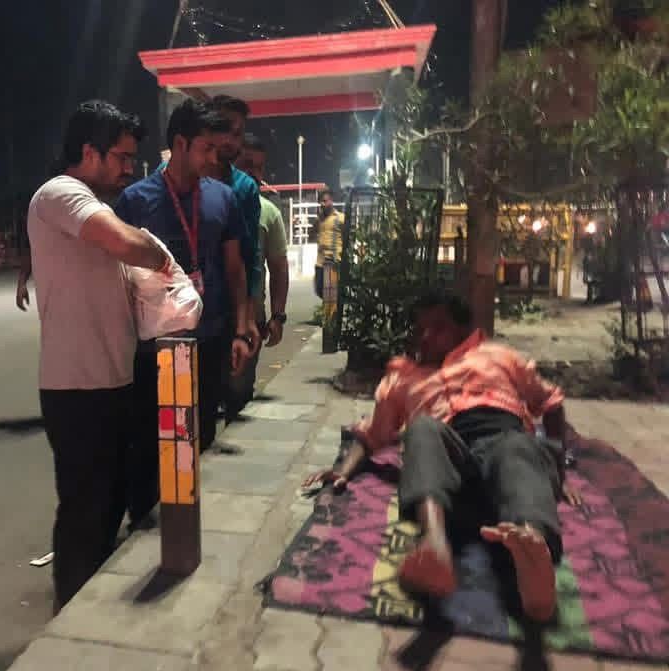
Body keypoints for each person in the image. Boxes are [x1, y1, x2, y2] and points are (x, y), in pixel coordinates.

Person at [303, 293, 581, 623]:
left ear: (462, 330)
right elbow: (372, 434)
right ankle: (434, 546)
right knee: (421, 428)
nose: (425, 336)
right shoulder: (401, 378)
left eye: (438, 327)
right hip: (451, 467)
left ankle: (532, 553)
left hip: (504, 444)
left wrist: (557, 470)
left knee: (517, 448)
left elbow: (551, 403)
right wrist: (343, 471)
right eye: (420, 328)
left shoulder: (497, 356)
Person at [22, 100, 170, 612]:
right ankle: (69, 617)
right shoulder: (60, 194)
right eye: (122, 157)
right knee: (85, 515)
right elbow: (127, 245)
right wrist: (164, 258)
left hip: (113, 383)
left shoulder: (89, 206)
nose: (130, 168)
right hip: (77, 390)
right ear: (89, 152)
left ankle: (90, 613)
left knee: (106, 510)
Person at [115, 98, 253, 530]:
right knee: (149, 440)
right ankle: (144, 525)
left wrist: (241, 327)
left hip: (208, 340)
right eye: (206, 149)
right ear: (180, 144)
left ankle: (185, 523)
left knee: (199, 434)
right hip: (153, 349)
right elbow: (119, 277)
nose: (215, 158)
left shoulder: (223, 198)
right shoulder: (135, 201)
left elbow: (235, 268)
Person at [208, 95, 264, 421]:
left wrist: (250, 317)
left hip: (231, 307)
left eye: (238, 133)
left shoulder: (244, 189)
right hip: (186, 312)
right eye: (224, 129)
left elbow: (251, 255)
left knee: (235, 393)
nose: (231, 139)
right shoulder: (171, 177)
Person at [236, 132, 290, 350]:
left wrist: (278, 316)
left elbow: (279, 268)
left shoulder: (269, 213)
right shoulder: (212, 205)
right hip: (214, 323)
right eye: (247, 165)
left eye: (259, 168)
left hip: (253, 322)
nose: (254, 174)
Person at [310, 189, 344, 299]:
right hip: (320, 262)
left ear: (331, 201)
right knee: (319, 290)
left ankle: (333, 308)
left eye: (325, 201)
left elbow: (348, 237)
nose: (322, 204)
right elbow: (311, 235)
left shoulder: (340, 218)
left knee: (330, 296)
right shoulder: (319, 220)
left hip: (333, 261)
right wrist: (315, 224)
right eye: (320, 201)